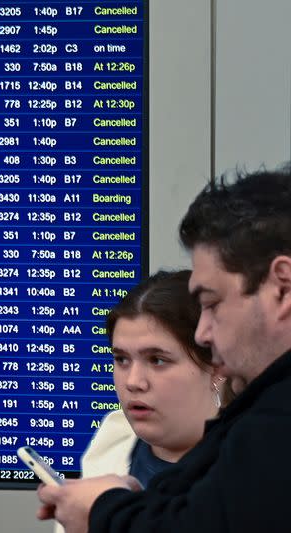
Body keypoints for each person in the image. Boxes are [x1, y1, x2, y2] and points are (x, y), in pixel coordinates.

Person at [37, 164, 291, 532]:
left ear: (282, 287)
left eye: (213, 303)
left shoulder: (273, 426)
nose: (204, 334)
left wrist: (103, 513)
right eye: (120, 359)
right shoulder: (115, 438)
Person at [54, 270, 229, 533]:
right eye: (122, 359)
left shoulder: (256, 464)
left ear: (217, 368)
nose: (133, 381)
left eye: (157, 360)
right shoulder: (113, 435)